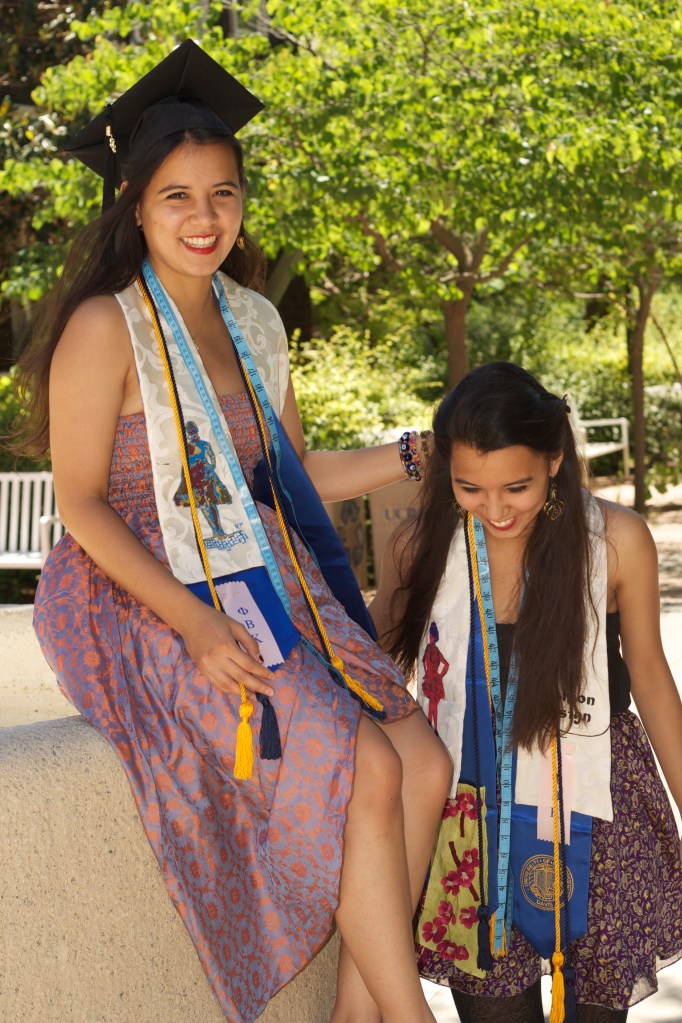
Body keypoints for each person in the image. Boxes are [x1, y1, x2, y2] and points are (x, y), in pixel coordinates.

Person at [14, 40, 452, 1023]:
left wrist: (413, 454)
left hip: (262, 571)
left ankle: (358, 1014)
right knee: (369, 764)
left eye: (223, 193)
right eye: (176, 195)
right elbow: (81, 503)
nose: (204, 217)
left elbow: (289, 478)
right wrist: (195, 622)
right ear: (134, 204)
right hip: (143, 588)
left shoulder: (253, 319)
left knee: (423, 761)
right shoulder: (106, 327)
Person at [371, 361, 682, 1023]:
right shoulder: (420, 546)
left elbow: (652, 678)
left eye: (518, 487)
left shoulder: (615, 540)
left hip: (596, 797)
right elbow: (372, 667)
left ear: (555, 461)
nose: (496, 510)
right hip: (468, 805)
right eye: (470, 488)